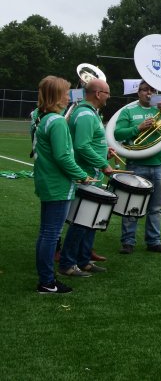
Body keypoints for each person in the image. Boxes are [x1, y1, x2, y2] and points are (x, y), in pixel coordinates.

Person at [32, 76, 92, 294]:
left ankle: (46, 278)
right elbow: (63, 157)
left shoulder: (44, 117)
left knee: (46, 233)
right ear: (56, 95)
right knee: (51, 234)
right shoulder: (56, 121)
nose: (69, 96)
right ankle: (47, 281)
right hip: (57, 184)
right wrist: (82, 175)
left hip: (48, 181)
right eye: (65, 93)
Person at [114, 81, 161, 254]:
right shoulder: (128, 111)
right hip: (136, 165)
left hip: (159, 166)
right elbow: (117, 133)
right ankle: (128, 242)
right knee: (132, 205)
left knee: (156, 208)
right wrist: (138, 128)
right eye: (144, 90)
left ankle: (154, 241)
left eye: (152, 90)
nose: (148, 93)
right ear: (138, 93)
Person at [58, 79, 114, 278]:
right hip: (86, 176)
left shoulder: (88, 113)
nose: (109, 96)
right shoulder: (84, 114)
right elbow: (81, 146)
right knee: (82, 221)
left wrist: (103, 152)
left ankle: (83, 260)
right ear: (98, 94)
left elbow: (90, 143)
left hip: (92, 175)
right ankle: (67, 263)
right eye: (107, 93)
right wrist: (103, 164)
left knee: (91, 220)